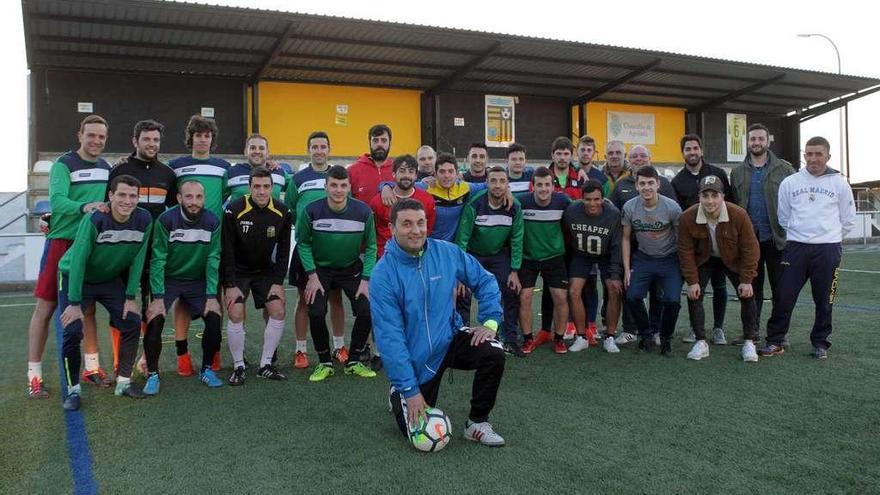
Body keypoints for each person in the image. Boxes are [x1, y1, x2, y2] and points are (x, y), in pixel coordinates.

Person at [371, 199, 507, 447]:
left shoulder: (447, 252)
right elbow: (390, 340)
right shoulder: (383, 275)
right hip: (417, 359)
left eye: (421, 223)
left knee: (493, 352)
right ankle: (398, 392)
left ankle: (477, 422)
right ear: (392, 228)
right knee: (418, 439)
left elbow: (485, 282)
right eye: (407, 224)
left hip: (450, 338)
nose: (416, 230)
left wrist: (489, 323)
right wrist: (410, 392)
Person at [27, 115, 111, 398]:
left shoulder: (105, 167)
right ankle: (34, 376)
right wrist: (84, 206)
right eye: (91, 135)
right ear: (80, 135)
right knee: (46, 307)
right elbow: (58, 201)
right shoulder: (63, 165)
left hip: (89, 246)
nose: (96, 140)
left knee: (86, 308)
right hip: (61, 243)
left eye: (101, 136)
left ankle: (91, 367)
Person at [58, 175, 153, 411]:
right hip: (75, 276)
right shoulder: (96, 218)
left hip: (108, 279)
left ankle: (123, 382)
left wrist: (130, 297)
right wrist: (74, 303)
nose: (127, 201)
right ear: (110, 196)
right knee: (71, 330)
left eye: (133, 196)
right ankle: (73, 390)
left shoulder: (144, 219)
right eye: (122, 194)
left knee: (131, 322)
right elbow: (78, 260)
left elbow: (138, 259)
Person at [760, 136, 856, 359]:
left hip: (828, 250)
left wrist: (829, 237)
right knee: (784, 295)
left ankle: (820, 342)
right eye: (809, 154)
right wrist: (800, 234)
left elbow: (848, 219)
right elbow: (783, 217)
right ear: (804, 156)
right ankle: (775, 340)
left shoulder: (839, 183)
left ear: (828, 156)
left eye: (818, 154)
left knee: (825, 299)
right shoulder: (790, 182)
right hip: (796, 248)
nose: (813, 158)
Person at [108, 119, 178, 374]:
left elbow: (174, 211)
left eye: (156, 140)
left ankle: (147, 362)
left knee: (152, 308)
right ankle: (119, 364)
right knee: (120, 308)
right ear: (135, 141)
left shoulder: (168, 174)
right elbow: (105, 205)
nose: (151, 144)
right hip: (122, 251)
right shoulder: (119, 170)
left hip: (154, 254)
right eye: (146, 139)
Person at [297, 165, 378, 382]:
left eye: (343, 185)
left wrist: (366, 280)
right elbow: (303, 243)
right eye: (333, 185)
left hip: (351, 268)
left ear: (350, 187)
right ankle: (324, 363)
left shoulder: (363, 211)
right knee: (316, 310)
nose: (338, 190)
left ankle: (354, 361)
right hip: (321, 270)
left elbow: (371, 247)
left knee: (367, 308)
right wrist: (312, 276)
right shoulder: (311, 210)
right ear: (326, 187)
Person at [143, 180, 224, 394]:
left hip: (197, 281)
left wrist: (211, 294)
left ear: (204, 199)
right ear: (179, 198)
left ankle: (206, 369)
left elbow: (213, 258)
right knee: (155, 317)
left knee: (214, 316)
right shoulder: (166, 219)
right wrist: (159, 297)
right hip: (169, 279)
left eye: (198, 197)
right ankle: (152, 373)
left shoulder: (212, 221)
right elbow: (158, 259)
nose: (194, 202)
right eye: (188, 196)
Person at [168, 115, 231, 375]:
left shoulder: (224, 167)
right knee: (182, 299)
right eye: (198, 135)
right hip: (182, 243)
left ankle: (213, 353)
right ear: (190, 137)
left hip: (211, 241)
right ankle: (183, 357)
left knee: (213, 296)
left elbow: (231, 193)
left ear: (212, 139)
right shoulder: (176, 166)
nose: (203, 139)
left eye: (207, 135)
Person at [678, 176, 760, 362]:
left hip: (733, 259)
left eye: (715, 195)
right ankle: (700, 341)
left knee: (748, 294)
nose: (710, 201)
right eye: (705, 195)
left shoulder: (738, 215)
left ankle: (749, 341)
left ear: (723, 196)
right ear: (699, 196)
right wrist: (692, 281)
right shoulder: (687, 217)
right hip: (705, 259)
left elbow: (751, 248)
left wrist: (747, 279)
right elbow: (685, 251)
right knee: (694, 294)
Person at [222, 167, 292, 385]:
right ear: (249, 187)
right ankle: (238, 367)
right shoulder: (234, 210)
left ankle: (265, 364)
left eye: (266, 187)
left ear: (272, 188)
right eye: (257, 187)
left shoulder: (283, 212)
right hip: (239, 272)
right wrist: (231, 284)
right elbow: (227, 249)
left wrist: (278, 283)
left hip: (265, 272)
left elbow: (283, 250)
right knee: (235, 312)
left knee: (278, 310)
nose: (261, 191)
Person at [286, 131, 347, 369]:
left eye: (323, 146)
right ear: (308, 150)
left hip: (335, 250)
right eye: (314, 146)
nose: (319, 150)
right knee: (304, 300)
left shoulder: (339, 177)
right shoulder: (299, 178)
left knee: (336, 299)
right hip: (307, 250)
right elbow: (292, 207)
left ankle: (339, 346)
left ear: (329, 149)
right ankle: (301, 350)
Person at [729, 123, 794, 342]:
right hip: (749, 242)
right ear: (748, 143)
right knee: (750, 290)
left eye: (760, 139)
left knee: (780, 291)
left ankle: (778, 335)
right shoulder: (737, 172)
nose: (756, 143)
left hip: (777, 240)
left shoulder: (785, 169)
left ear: (768, 141)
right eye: (752, 139)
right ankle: (751, 332)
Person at [671, 134, 733, 345]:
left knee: (720, 287)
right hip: (699, 246)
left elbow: (730, 203)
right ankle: (695, 328)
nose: (692, 152)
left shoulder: (717, 173)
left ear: (701, 150)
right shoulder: (678, 181)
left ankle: (718, 328)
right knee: (696, 288)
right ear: (683, 153)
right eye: (688, 149)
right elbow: (680, 214)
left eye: (695, 148)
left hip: (721, 242)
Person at [456, 166, 523, 354]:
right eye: (493, 181)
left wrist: (515, 270)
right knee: (463, 292)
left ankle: (508, 337)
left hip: (498, 254)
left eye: (502, 181)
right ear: (487, 183)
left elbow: (517, 238)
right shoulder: (475, 204)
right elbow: (462, 238)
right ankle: (462, 338)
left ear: (507, 184)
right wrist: (460, 273)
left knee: (510, 290)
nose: (498, 185)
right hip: (474, 253)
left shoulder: (514, 206)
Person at [621, 166, 683, 356]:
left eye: (650, 183)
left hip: (669, 258)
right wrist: (626, 269)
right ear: (637, 186)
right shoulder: (630, 207)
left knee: (672, 300)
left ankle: (665, 338)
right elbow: (625, 238)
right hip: (644, 258)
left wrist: (682, 268)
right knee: (632, 296)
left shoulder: (672, 207)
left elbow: (681, 239)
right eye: (642, 183)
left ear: (658, 184)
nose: (647, 187)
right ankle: (646, 334)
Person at [562, 180, 625, 354]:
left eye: (596, 199)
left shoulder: (613, 215)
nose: (592, 204)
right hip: (581, 254)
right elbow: (565, 234)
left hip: (605, 255)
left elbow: (616, 247)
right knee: (574, 291)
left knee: (614, 289)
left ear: (603, 199)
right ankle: (581, 336)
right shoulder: (572, 211)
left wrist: (615, 274)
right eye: (588, 199)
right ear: (582, 199)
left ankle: (610, 336)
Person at [517, 167, 571, 355]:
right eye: (539, 185)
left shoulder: (562, 201)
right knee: (524, 297)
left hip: (554, 257)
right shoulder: (521, 201)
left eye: (547, 184)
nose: (543, 189)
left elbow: (580, 210)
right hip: (528, 258)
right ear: (533, 186)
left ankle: (559, 338)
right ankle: (527, 339)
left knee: (561, 298)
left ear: (553, 186)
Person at [369, 154, 436, 258]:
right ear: (393, 174)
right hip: (386, 258)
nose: (406, 175)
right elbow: (372, 236)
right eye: (402, 171)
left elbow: (428, 229)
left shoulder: (427, 200)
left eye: (411, 171)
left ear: (416, 175)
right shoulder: (378, 201)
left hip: (417, 257)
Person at [227, 134, 287, 201]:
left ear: (267, 153)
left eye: (261, 148)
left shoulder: (279, 172)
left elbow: (295, 194)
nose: (257, 151)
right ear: (246, 152)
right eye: (252, 148)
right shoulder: (232, 172)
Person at [349, 124, 394, 204]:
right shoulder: (352, 171)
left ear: (390, 143)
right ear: (370, 143)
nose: (379, 144)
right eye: (375, 140)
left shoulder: (398, 170)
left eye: (384, 140)